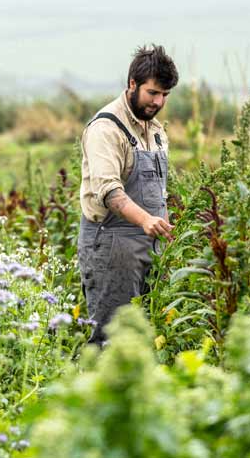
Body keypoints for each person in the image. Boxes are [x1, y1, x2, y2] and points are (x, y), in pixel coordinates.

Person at [78, 44, 178, 344]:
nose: (158, 102)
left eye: (164, 95)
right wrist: (146, 220)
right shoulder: (107, 129)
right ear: (132, 84)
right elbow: (109, 191)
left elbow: (158, 191)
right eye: (152, 93)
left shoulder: (156, 131)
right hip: (112, 245)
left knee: (144, 337)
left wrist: (164, 228)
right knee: (111, 340)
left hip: (150, 245)